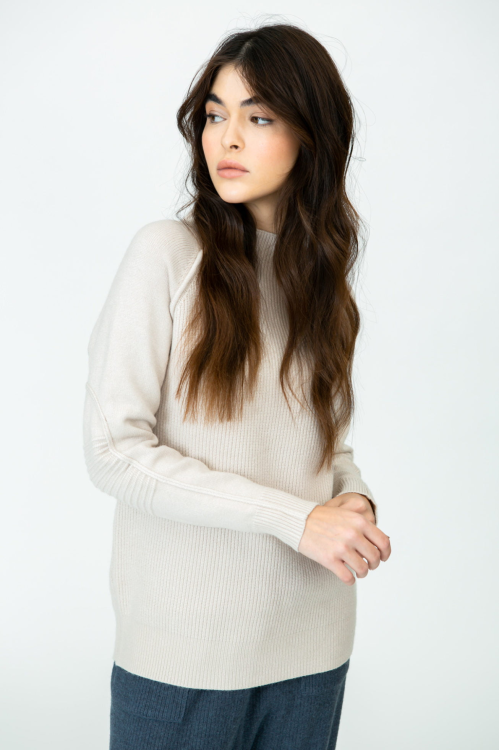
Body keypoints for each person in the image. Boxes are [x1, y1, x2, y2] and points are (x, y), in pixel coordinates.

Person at [83, 21, 391, 750]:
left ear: (311, 135)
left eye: (258, 118)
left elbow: (325, 446)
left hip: (314, 643)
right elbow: (114, 451)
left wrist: (353, 499)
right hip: (185, 655)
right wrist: (294, 518)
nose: (226, 138)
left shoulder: (321, 282)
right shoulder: (167, 254)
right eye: (215, 114)